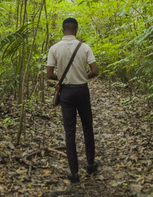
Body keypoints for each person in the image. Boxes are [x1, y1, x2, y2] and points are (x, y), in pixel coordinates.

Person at [46, 18, 99, 183]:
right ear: (76, 30)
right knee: (87, 126)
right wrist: (83, 76)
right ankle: (90, 164)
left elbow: (49, 75)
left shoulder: (54, 48)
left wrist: (62, 77)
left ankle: (74, 172)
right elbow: (95, 71)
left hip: (66, 93)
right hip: (82, 90)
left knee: (70, 131)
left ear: (63, 30)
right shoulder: (85, 47)